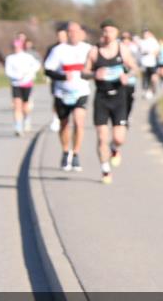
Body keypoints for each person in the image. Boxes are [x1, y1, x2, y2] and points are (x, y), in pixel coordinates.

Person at [85, 20, 139, 184]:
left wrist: (127, 76)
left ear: (116, 33)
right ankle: (105, 170)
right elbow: (83, 72)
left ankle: (115, 149)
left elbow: (135, 67)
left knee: (119, 138)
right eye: (105, 31)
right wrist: (94, 74)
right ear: (102, 33)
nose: (107, 34)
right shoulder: (94, 51)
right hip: (101, 97)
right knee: (102, 137)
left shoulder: (122, 49)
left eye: (111, 31)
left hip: (119, 98)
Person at [44, 21, 94, 172]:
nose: (73, 34)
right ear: (67, 33)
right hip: (62, 93)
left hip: (81, 92)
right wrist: (62, 77)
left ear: (81, 33)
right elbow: (47, 70)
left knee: (79, 122)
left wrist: (92, 75)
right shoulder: (58, 50)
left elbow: (96, 68)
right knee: (64, 124)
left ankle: (76, 153)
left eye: (76, 31)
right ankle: (66, 152)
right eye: (70, 31)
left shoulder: (88, 49)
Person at [4, 38, 41, 136]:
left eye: (18, 47)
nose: (16, 48)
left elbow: (36, 66)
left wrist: (28, 74)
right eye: (15, 47)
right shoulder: (10, 58)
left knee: (25, 106)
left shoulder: (28, 57)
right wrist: (17, 76)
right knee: (17, 105)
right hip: (16, 84)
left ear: (21, 47)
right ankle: (18, 126)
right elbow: (8, 71)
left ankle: (27, 118)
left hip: (27, 83)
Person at [44, 24, 68, 132]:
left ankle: (65, 119)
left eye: (63, 36)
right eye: (59, 36)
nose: (61, 38)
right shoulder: (52, 49)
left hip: (70, 80)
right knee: (56, 99)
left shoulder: (71, 48)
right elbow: (47, 65)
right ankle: (55, 118)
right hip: (56, 79)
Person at [120, 31, 141, 116]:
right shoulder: (117, 50)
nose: (125, 40)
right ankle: (121, 117)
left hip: (131, 80)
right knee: (120, 100)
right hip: (119, 80)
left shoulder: (134, 51)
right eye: (123, 39)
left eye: (127, 39)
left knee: (129, 99)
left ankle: (126, 116)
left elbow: (137, 65)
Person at [138, 29, 160, 99]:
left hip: (152, 63)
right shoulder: (141, 42)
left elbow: (157, 50)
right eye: (144, 34)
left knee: (153, 78)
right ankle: (146, 91)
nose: (145, 35)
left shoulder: (153, 41)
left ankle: (152, 89)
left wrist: (153, 54)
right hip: (144, 63)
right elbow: (139, 51)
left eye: (146, 34)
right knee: (145, 78)